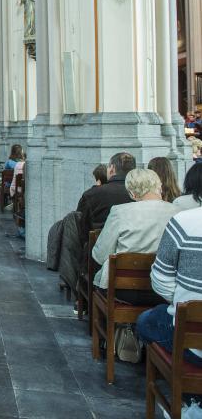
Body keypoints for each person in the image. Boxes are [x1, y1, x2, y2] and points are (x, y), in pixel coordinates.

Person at [91, 168, 175, 305]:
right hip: (165, 291)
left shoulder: (120, 212)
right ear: (159, 186)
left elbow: (100, 255)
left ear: (131, 193)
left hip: (124, 290)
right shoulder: (178, 212)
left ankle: (117, 324)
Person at [137, 202, 202, 367]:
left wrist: (182, 302)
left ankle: (187, 391)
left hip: (191, 340)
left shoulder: (184, 221)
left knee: (146, 320)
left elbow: (160, 279)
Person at [76, 152, 136, 238]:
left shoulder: (92, 194)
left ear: (112, 168)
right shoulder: (140, 194)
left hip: (100, 247)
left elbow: (79, 228)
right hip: (137, 247)